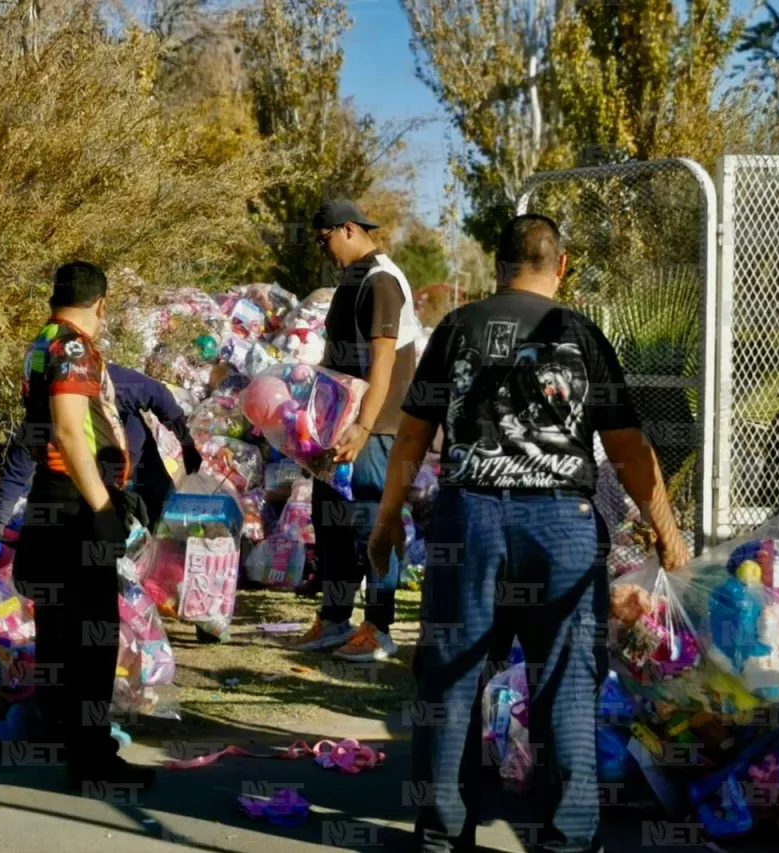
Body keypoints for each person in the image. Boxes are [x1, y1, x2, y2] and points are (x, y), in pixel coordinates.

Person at [368, 214, 690, 853]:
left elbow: (411, 436)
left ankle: (440, 839)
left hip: (470, 520)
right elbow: (628, 449)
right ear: (561, 266)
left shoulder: (457, 329)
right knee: (565, 683)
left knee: (450, 681)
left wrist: (385, 524)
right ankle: (568, 842)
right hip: (561, 528)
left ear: (497, 266)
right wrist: (667, 532)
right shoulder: (582, 335)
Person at [10, 261, 157, 791]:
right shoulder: (72, 347)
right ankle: (92, 760)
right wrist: (102, 509)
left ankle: (57, 736)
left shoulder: (41, 339)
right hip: (75, 506)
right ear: (101, 303)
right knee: (94, 638)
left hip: (53, 502)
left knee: (58, 632)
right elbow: (73, 433)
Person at [295, 199, 424, 663]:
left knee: (373, 522)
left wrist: (365, 426)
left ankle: (379, 627)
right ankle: (334, 620)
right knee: (329, 519)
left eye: (324, 238)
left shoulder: (381, 280)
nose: (322, 249)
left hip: (377, 428)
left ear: (347, 229)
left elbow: (383, 359)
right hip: (340, 426)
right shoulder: (353, 280)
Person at [0, 363, 203, 570]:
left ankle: (181, 569)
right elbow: (14, 479)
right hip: (89, 480)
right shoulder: (39, 424)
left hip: (138, 462)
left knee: (164, 524)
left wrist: (187, 443)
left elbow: (159, 395)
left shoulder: (110, 383)